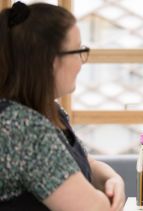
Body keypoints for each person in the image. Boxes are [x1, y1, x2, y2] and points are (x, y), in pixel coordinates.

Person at [0, 2, 125, 210]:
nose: (81, 62)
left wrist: (111, 179)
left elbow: (83, 164)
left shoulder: (50, 112)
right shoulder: (22, 128)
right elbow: (93, 208)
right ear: (51, 61)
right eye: (78, 51)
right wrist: (105, 198)